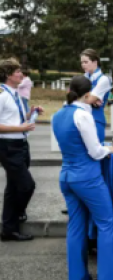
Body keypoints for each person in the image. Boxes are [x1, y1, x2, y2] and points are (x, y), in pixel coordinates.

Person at [52, 75, 113, 279]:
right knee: (106, 223)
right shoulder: (83, 115)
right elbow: (95, 151)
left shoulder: (57, 115)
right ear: (88, 94)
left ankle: (78, 275)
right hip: (87, 178)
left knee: (75, 226)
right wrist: (109, 149)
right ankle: (108, 276)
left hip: (66, 176)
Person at [0, 58, 43, 242]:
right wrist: (20, 128)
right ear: (9, 75)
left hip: (21, 144)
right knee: (27, 185)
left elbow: (13, 118)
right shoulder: (2, 94)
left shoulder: (14, 93)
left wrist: (30, 113)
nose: (21, 75)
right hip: (8, 146)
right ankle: (16, 218)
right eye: (17, 72)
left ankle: (8, 229)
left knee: (13, 187)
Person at [81, 49, 112, 143]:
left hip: (96, 120)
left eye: (86, 62)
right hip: (82, 119)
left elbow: (88, 100)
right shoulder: (83, 77)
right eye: (82, 62)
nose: (83, 65)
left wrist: (83, 96)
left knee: (96, 153)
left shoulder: (103, 79)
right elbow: (70, 96)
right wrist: (89, 96)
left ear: (95, 62)